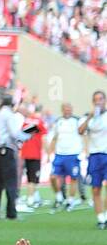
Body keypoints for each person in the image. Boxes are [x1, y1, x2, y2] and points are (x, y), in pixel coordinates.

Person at [0, 92, 30, 221]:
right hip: (6, 149)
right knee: (10, 182)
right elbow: (14, 133)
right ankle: (11, 212)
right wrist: (27, 135)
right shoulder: (9, 115)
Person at [46, 101, 84, 211]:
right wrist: (49, 152)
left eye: (69, 109)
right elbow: (53, 137)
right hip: (60, 154)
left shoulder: (77, 120)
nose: (68, 111)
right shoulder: (58, 122)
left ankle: (70, 200)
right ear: (62, 110)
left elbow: (83, 134)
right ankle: (59, 197)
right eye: (65, 109)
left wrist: (84, 150)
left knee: (73, 178)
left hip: (73, 154)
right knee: (53, 177)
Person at [80, 91, 107, 229]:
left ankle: (106, 214)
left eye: (101, 99)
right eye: (96, 99)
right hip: (94, 156)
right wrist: (90, 116)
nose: (99, 102)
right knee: (96, 189)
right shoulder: (89, 117)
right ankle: (101, 218)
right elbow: (80, 130)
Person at [21, 103, 47, 209]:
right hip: (35, 153)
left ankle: (35, 197)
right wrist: (47, 152)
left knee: (30, 176)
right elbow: (44, 137)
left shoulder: (25, 122)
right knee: (33, 178)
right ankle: (30, 199)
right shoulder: (39, 122)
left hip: (25, 152)